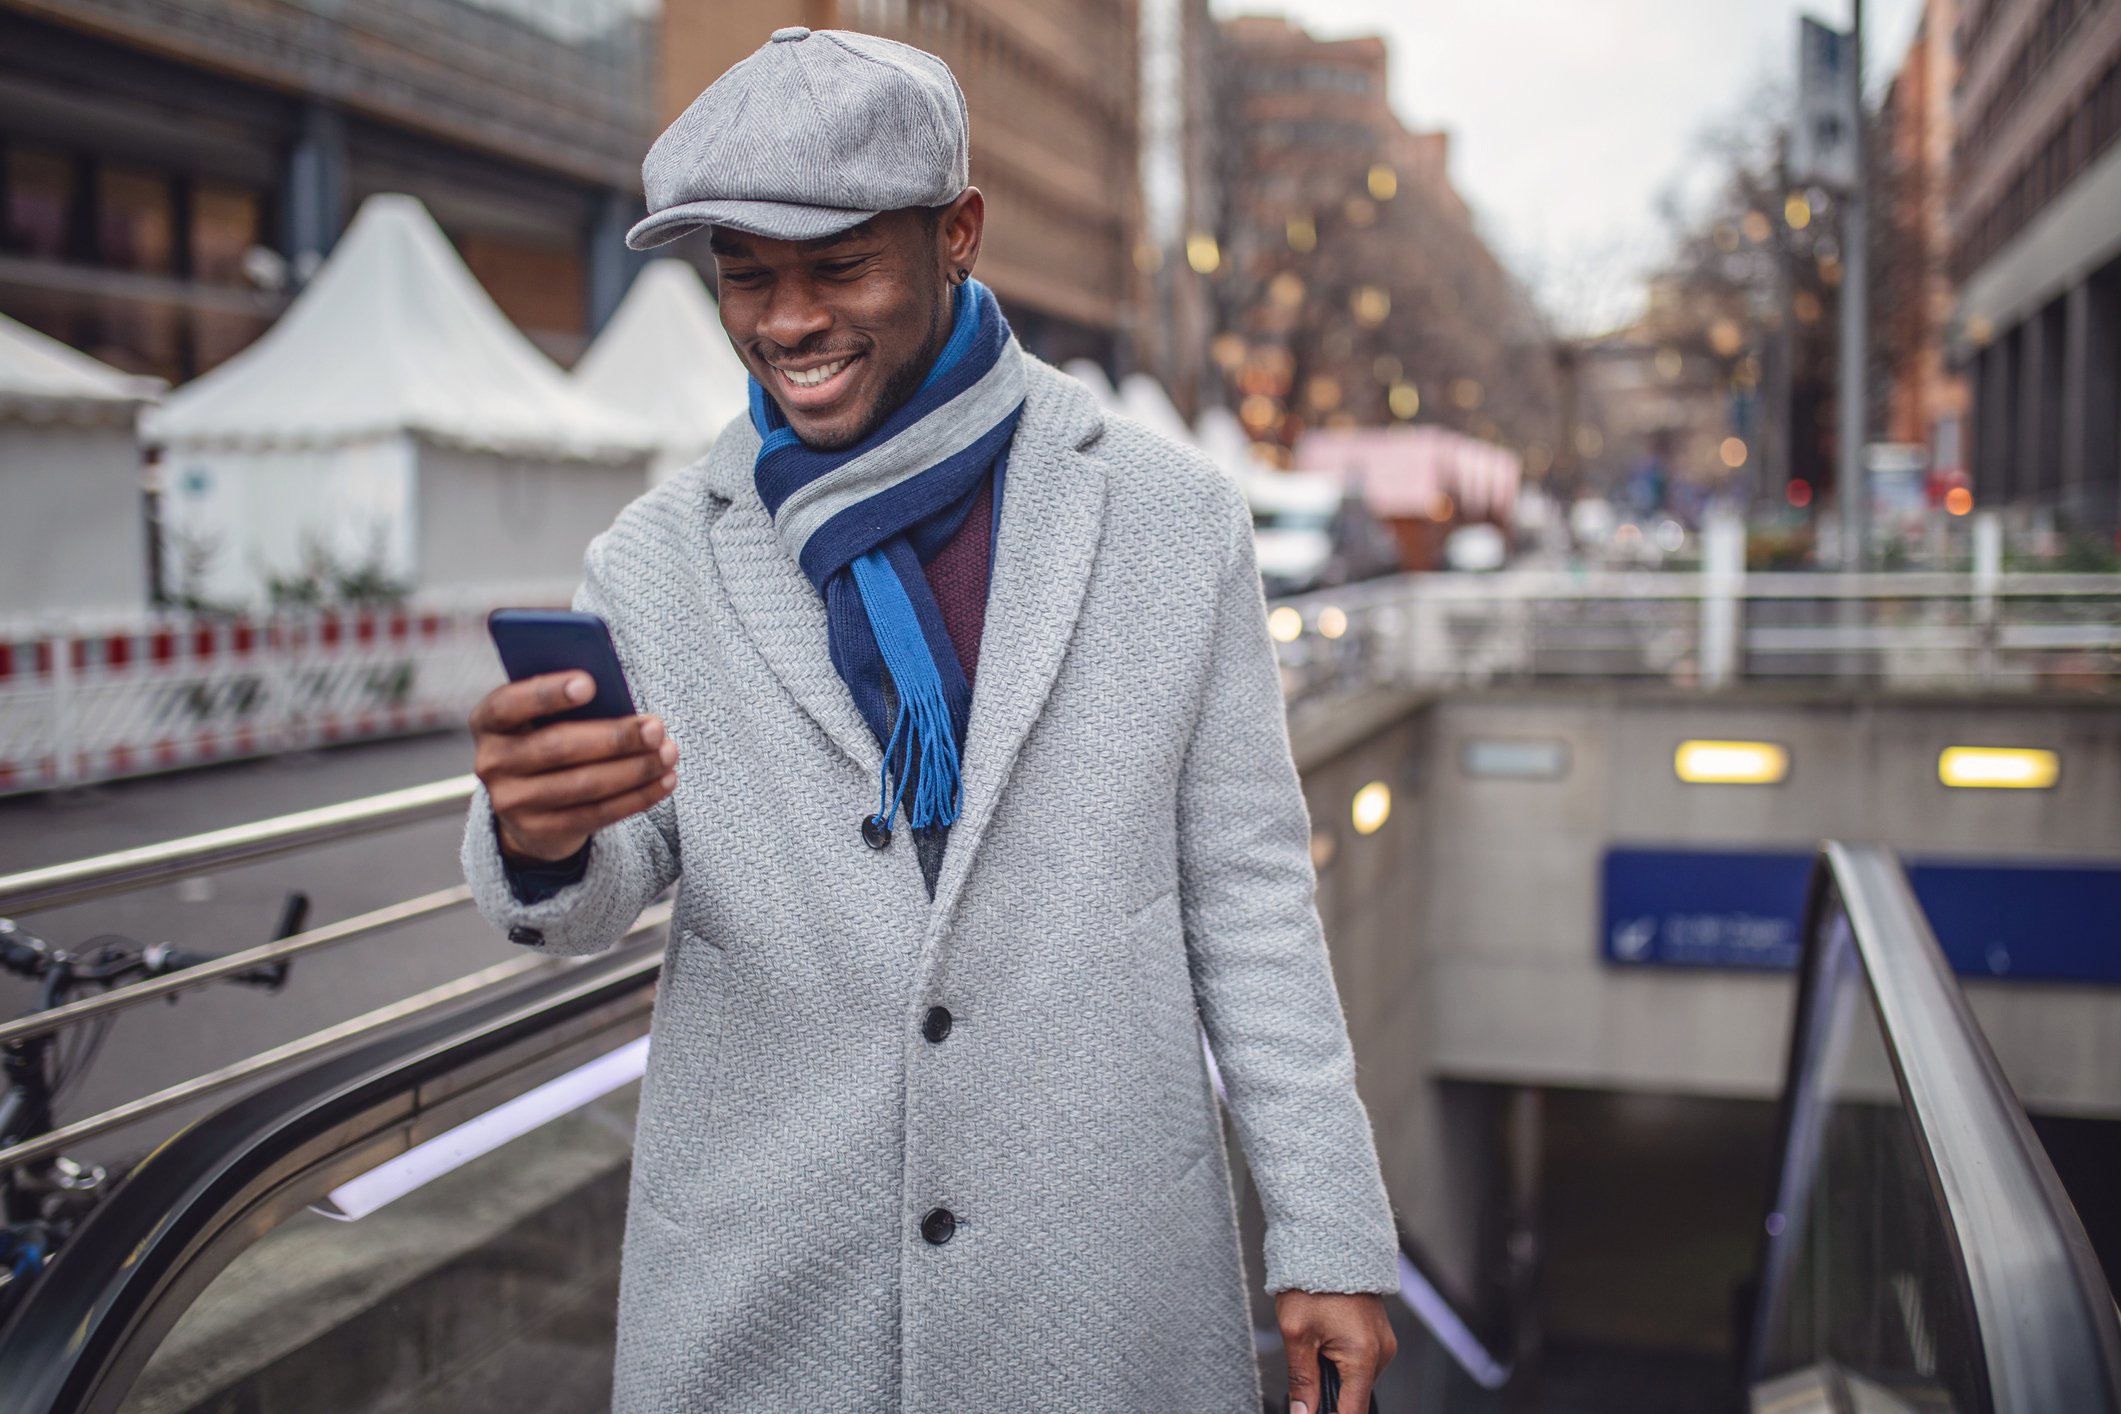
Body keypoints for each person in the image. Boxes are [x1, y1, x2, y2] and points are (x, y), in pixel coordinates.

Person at [461, 26, 1398, 1413]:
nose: (786, 320)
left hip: (1094, 1291)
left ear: (958, 231)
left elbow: (1251, 897)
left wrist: (1324, 1228)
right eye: (746, 275)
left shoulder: (1167, 518)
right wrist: (541, 837)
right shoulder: (655, 561)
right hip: (765, 1305)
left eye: (837, 266)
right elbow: (602, 886)